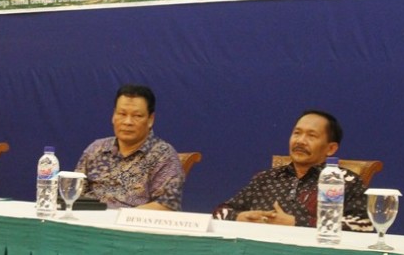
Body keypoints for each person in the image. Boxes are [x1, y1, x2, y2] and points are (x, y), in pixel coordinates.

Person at [214, 110, 372, 231]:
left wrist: (296, 222)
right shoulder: (266, 178)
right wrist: (240, 217)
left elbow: (364, 225)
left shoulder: (345, 181)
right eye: (297, 133)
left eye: (311, 136)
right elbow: (221, 212)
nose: (300, 141)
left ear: (330, 148)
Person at [75, 84, 184, 210]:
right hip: (88, 217)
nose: (128, 122)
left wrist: (119, 217)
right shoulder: (96, 149)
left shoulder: (163, 155)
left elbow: (166, 205)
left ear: (150, 119)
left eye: (137, 116)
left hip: (131, 220)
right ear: (113, 116)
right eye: (122, 114)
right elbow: (73, 192)